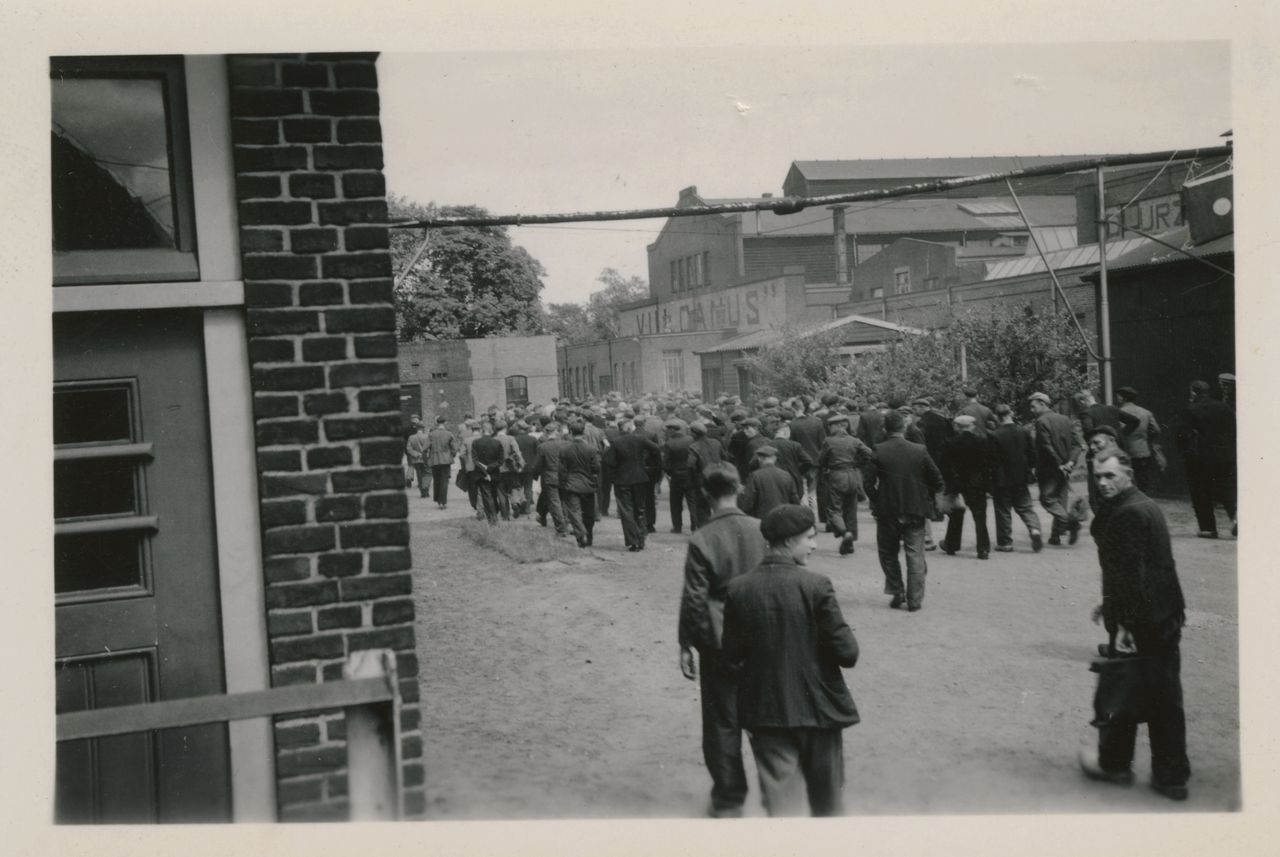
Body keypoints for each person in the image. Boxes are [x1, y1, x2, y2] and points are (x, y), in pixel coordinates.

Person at [721, 504, 860, 817]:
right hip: (820, 711)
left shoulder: (739, 589)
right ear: (786, 542)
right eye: (808, 538)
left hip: (766, 711)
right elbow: (848, 653)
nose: (813, 544)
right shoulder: (817, 585)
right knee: (828, 806)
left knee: (781, 808)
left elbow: (730, 658)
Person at [1079, 450, 1190, 801]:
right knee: (1164, 693)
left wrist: (1125, 623)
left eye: (1110, 476)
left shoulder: (1128, 513)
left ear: (1129, 474)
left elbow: (1132, 574)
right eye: (1098, 477)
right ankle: (1170, 776)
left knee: (1122, 685)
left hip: (1141, 615)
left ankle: (1115, 765)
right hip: (1163, 611)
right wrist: (1109, 603)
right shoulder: (1145, 505)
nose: (1102, 483)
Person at [677, 465, 767, 818]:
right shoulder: (763, 529)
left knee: (721, 721)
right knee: (766, 714)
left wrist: (686, 643)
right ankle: (779, 788)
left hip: (719, 640)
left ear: (704, 493)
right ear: (740, 487)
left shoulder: (703, 537)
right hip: (763, 636)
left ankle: (729, 797)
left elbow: (694, 598)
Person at [864, 410, 944, 611]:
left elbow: (867, 483)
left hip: (887, 510)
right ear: (905, 426)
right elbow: (937, 479)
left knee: (888, 553)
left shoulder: (878, 450)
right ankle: (915, 599)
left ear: (885, 429)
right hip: (916, 509)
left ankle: (897, 591)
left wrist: (877, 500)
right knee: (915, 554)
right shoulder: (919, 450)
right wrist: (925, 496)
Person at [1177, 380, 1237, 538]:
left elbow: (1183, 435)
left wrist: (1184, 453)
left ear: (1194, 393)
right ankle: (1236, 517)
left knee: (1200, 491)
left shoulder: (1191, 409)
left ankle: (1208, 528)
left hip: (1200, 458)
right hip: (1226, 457)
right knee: (1225, 488)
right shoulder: (1224, 407)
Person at [938, 414, 997, 559]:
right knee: (980, 517)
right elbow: (990, 464)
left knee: (956, 513)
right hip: (977, 483)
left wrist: (950, 483)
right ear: (972, 426)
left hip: (957, 483)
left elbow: (944, 466)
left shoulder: (950, 442)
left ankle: (951, 544)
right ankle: (983, 549)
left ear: (957, 427)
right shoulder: (982, 442)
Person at [1029, 391, 1083, 546]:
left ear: (1042, 404)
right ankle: (1055, 536)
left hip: (1049, 468)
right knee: (1060, 500)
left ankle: (1071, 522)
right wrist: (1070, 463)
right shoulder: (1066, 419)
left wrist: (1059, 463)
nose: (1032, 410)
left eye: (1033, 407)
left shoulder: (1041, 421)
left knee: (1047, 499)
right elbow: (1077, 444)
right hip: (1066, 467)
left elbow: (1046, 446)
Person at [990, 404, 1043, 552]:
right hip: (1021, 477)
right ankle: (1034, 530)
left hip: (1002, 479)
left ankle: (1005, 542)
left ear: (997, 417)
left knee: (1003, 510)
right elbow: (1032, 454)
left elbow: (992, 460)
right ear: (1011, 413)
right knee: (1025, 507)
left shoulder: (995, 435)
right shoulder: (1024, 431)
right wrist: (1029, 469)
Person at [819, 413, 872, 556]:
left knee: (834, 509)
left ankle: (844, 533)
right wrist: (857, 464)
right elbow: (869, 454)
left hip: (836, 476)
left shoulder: (828, 441)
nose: (829, 429)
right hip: (853, 476)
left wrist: (826, 467)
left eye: (830, 426)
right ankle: (850, 543)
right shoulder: (854, 440)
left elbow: (821, 460)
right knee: (850, 510)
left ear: (838, 426)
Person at [606, 418, 660, 552]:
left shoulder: (616, 443)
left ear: (620, 429)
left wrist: (615, 473)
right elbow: (656, 448)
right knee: (640, 509)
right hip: (640, 477)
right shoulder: (640, 439)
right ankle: (642, 538)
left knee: (627, 511)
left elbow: (608, 461)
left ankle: (633, 541)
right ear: (630, 428)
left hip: (622, 479)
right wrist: (646, 462)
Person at [559, 420, 601, 548]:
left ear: (571, 433)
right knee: (589, 512)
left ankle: (579, 533)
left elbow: (562, 470)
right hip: (588, 485)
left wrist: (563, 483)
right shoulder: (591, 449)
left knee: (574, 511)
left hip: (571, 484)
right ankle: (589, 535)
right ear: (583, 432)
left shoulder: (564, 449)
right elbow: (596, 468)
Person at [1114, 386, 1163, 492]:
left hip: (1124, 451)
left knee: (1125, 484)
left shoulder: (1118, 413)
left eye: (1118, 397)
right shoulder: (1146, 412)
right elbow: (1156, 430)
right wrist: (1146, 439)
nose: (1116, 399)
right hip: (1142, 451)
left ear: (1123, 398)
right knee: (1142, 483)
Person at [531, 420, 570, 537]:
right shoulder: (567, 444)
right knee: (564, 501)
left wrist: (535, 475)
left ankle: (561, 528)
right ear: (557, 432)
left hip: (549, 477)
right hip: (565, 476)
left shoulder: (543, 447)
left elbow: (537, 465)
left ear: (546, 432)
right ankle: (566, 523)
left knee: (554, 502)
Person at [739, 447, 800, 520]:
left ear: (759, 458)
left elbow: (747, 504)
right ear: (775, 459)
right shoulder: (786, 475)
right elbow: (795, 501)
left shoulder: (755, 476)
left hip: (763, 520)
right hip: (783, 519)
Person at [687, 420, 724, 530]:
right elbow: (725, 457)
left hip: (702, 480)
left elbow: (690, 465)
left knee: (702, 507)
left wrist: (693, 477)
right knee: (718, 505)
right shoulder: (716, 443)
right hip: (718, 477)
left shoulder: (694, 447)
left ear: (694, 433)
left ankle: (705, 530)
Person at [662, 419, 695, 533]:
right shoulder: (691, 440)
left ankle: (677, 526)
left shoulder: (669, 443)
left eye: (668, 430)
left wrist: (671, 473)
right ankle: (694, 525)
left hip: (676, 476)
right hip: (690, 475)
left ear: (672, 430)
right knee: (692, 501)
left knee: (676, 503)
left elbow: (666, 464)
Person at [469, 421, 505, 524]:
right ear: (492, 431)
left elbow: (475, 461)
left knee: (486, 496)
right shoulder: (497, 443)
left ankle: (492, 519)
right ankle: (494, 514)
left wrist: (485, 471)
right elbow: (500, 461)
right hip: (495, 473)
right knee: (493, 494)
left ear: (481, 430)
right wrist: (490, 468)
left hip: (481, 474)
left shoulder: (476, 442)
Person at [425, 416, 458, 509]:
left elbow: (425, 448)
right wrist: (452, 455)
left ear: (436, 423)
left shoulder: (431, 434)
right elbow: (455, 448)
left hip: (434, 460)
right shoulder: (449, 434)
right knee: (444, 481)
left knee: (437, 480)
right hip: (446, 460)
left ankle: (438, 500)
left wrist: (427, 458)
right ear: (445, 423)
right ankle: (443, 502)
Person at [405, 420, 431, 499]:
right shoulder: (427, 436)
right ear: (423, 428)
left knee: (419, 476)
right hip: (425, 459)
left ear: (416, 428)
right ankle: (425, 491)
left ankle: (422, 492)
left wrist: (416, 454)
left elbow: (408, 448)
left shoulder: (411, 437)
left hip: (416, 460)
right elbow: (429, 448)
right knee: (427, 474)